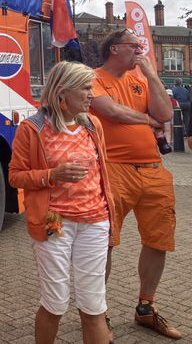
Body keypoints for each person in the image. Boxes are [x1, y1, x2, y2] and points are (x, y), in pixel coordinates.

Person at [9, 61, 115, 344]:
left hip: (95, 220)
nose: (91, 94)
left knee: (94, 305)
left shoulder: (93, 125)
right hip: (55, 225)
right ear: (61, 93)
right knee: (55, 303)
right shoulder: (32, 129)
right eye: (84, 88)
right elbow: (15, 177)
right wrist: (52, 175)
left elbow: (103, 171)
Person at [89, 28, 180, 339]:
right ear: (115, 48)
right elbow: (109, 111)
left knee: (159, 239)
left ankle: (146, 308)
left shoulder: (141, 78)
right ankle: (97, 314)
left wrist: (152, 75)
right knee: (105, 242)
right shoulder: (93, 78)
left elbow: (165, 113)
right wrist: (147, 120)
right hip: (114, 170)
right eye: (134, 45)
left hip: (154, 170)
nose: (140, 50)